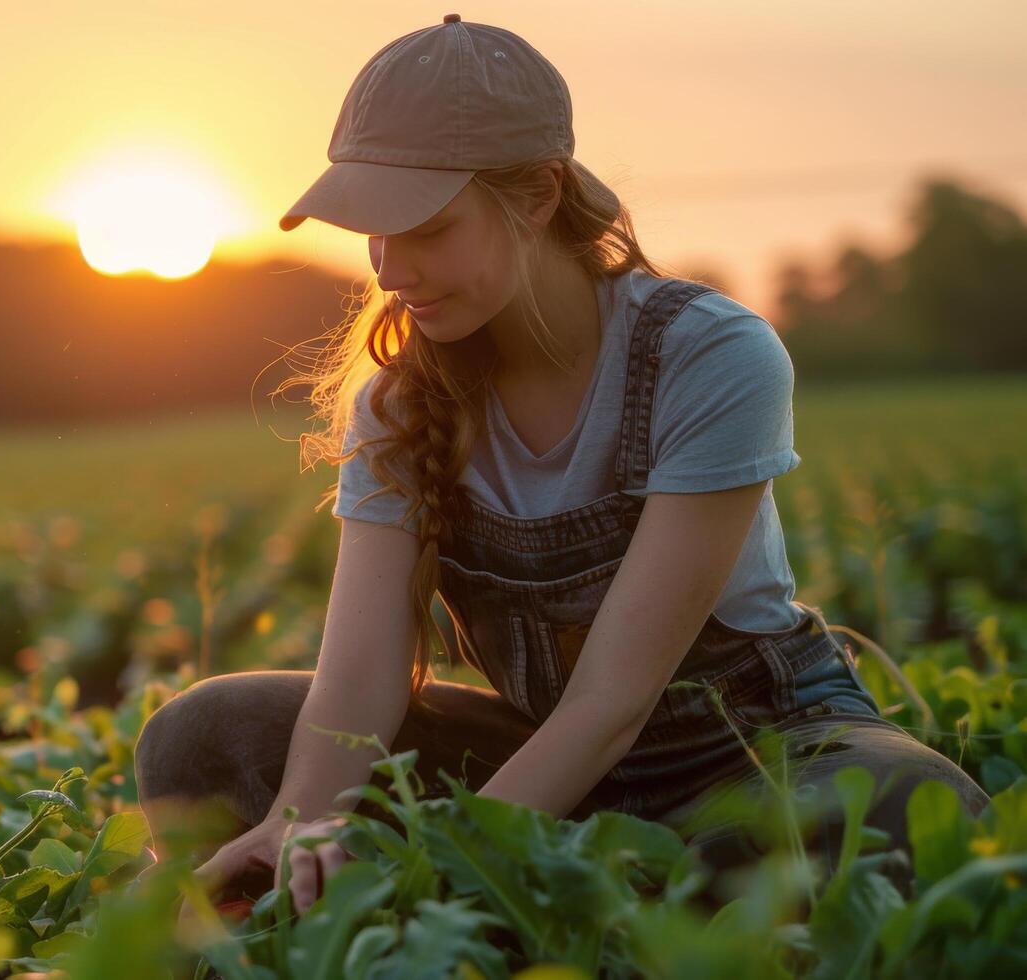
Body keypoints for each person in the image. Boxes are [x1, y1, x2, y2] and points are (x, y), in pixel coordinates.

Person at [133, 13, 989, 918]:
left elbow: (612, 702)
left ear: (538, 195)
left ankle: (555, 898)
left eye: (423, 228)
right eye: (369, 233)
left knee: (897, 808)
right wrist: (302, 819)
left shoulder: (711, 354)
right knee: (207, 734)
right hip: (549, 760)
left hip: (756, 747)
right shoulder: (393, 404)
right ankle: (614, 892)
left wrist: (451, 865)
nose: (388, 269)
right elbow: (358, 683)